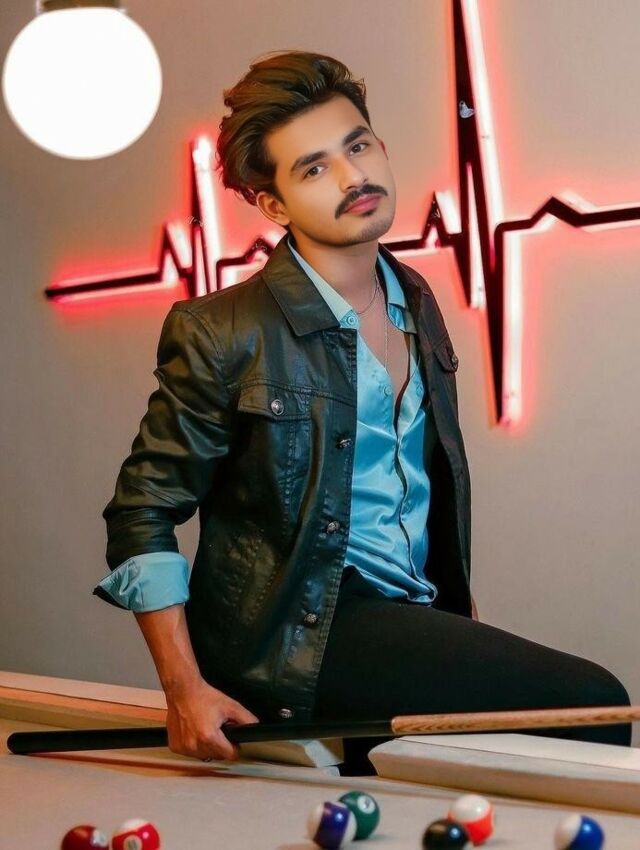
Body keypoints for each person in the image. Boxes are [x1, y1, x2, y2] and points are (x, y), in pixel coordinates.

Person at [93, 50, 632, 773]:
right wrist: (183, 687)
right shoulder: (223, 330)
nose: (353, 177)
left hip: (406, 616)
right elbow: (142, 512)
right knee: (594, 703)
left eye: (358, 146)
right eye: (315, 168)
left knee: (519, 746)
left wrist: (457, 631)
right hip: (302, 633)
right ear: (274, 205)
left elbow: (421, 486)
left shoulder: (416, 299)